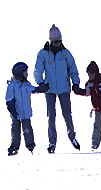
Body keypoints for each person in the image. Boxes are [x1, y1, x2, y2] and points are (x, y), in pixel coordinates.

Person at [34, 25, 81, 153]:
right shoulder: (43, 54)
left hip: (64, 88)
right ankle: (52, 141)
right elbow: (38, 71)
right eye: (55, 41)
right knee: (51, 115)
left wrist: (75, 83)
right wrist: (41, 83)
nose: (58, 43)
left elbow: (73, 69)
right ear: (50, 41)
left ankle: (72, 137)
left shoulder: (66, 53)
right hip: (49, 89)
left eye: (59, 41)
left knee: (67, 114)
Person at [5, 62, 49, 156]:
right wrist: (12, 110)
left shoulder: (26, 84)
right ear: (19, 73)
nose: (27, 74)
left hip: (26, 112)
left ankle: (30, 145)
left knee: (28, 129)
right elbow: (9, 99)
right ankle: (14, 146)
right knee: (15, 131)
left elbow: (33, 89)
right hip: (16, 113)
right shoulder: (12, 85)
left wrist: (42, 88)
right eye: (25, 72)